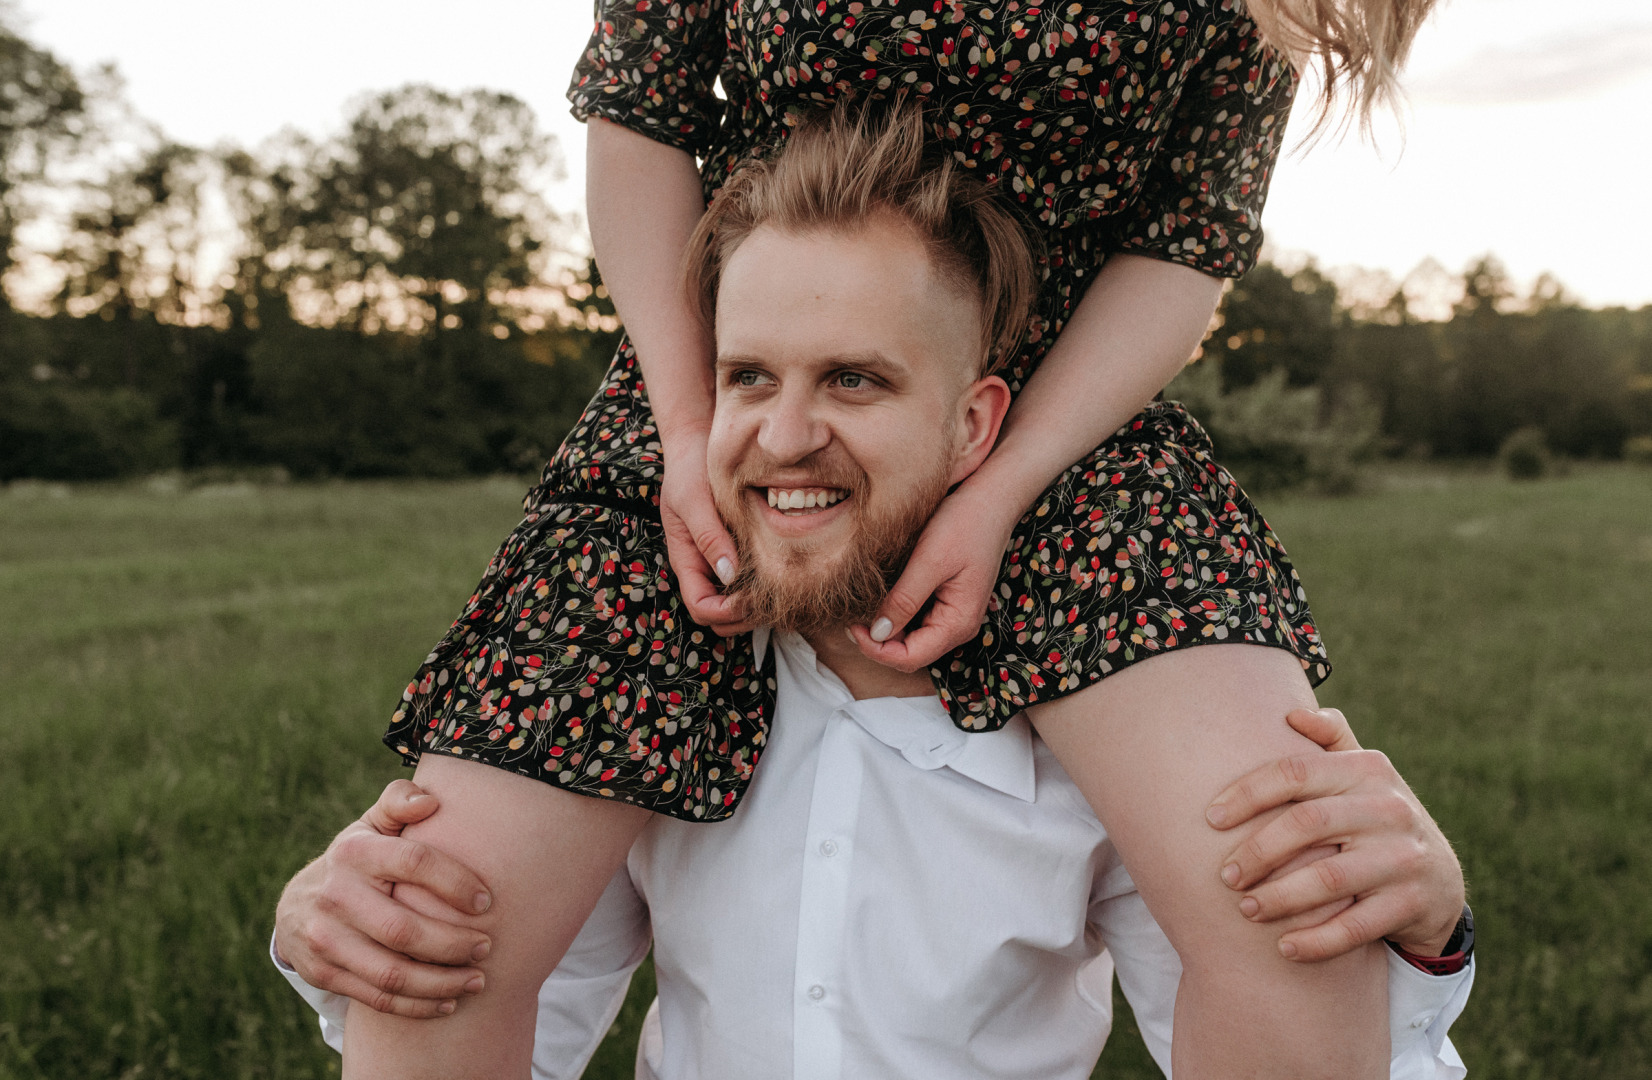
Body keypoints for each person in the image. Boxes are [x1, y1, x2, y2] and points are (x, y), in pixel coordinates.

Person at [276, 105, 1471, 1079]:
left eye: (853, 381)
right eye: (747, 377)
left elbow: (1283, 1019)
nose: (784, 437)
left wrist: (1418, 934)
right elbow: (494, 1024)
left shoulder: (1103, 732)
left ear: (973, 428)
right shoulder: (638, 697)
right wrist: (343, 942)